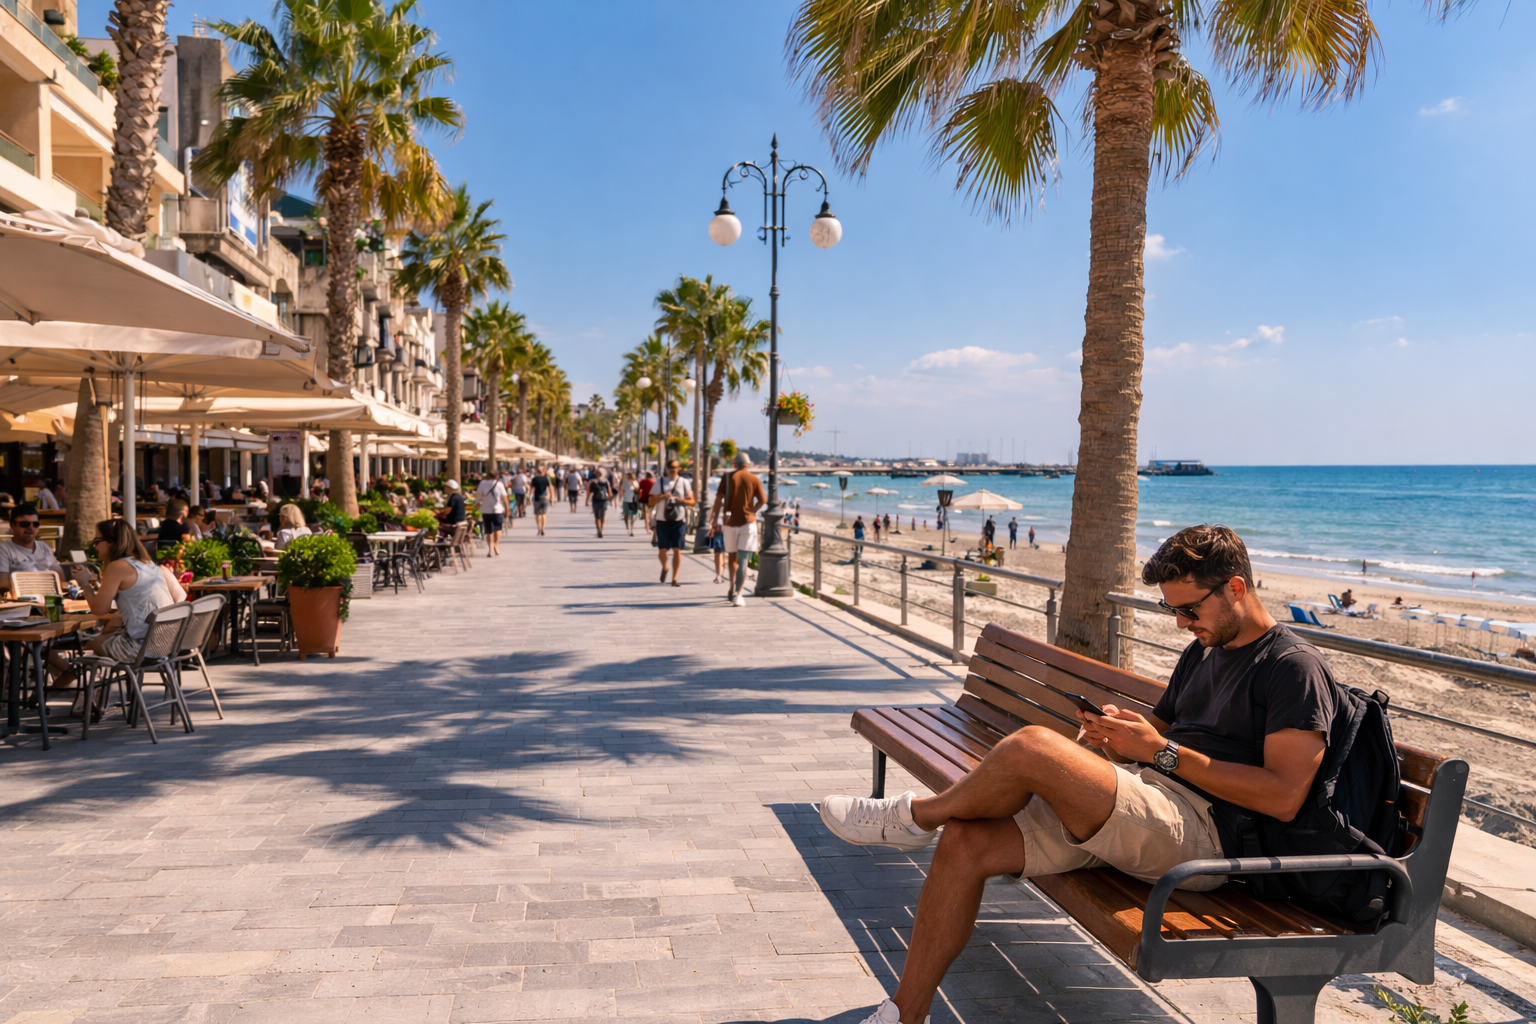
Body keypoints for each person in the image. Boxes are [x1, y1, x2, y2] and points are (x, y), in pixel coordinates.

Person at [819, 525, 1343, 1024]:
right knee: (966, 843)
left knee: (1032, 746)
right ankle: (906, 1013)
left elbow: (1284, 796)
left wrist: (1160, 753)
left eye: (1189, 609)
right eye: (1172, 610)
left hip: (1211, 839)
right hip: (1152, 802)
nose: (1181, 622)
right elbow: (1156, 736)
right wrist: (1114, 735)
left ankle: (914, 818)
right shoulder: (1204, 652)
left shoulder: (1292, 668)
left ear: (1235, 587)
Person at [68, 518, 186, 669]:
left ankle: (86, 686)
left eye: (97, 541)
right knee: (107, 634)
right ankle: (88, 685)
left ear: (111, 541)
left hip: (140, 649)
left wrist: (84, 584)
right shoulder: (147, 564)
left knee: (91, 645)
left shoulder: (118, 566)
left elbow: (99, 610)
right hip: (164, 645)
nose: (94, 546)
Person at [710, 453, 766, 606]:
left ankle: (731, 587)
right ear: (748, 464)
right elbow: (763, 500)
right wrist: (753, 510)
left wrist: (714, 520)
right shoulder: (754, 479)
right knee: (743, 561)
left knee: (732, 558)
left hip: (729, 522)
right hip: (748, 523)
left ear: (735, 464)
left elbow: (718, 499)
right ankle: (739, 595)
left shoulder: (727, 478)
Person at [652, 460, 693, 587]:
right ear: (666, 468)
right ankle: (665, 568)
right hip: (662, 520)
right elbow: (650, 500)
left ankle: (675, 578)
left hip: (679, 521)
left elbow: (692, 500)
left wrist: (681, 500)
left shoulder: (684, 482)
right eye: (670, 467)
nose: (672, 470)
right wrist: (662, 496)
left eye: (675, 467)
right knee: (662, 550)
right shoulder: (660, 482)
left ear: (678, 468)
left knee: (677, 549)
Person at [0, 504, 63, 582]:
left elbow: (60, 577)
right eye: (25, 524)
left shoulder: (44, 547)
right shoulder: (4, 549)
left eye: (35, 524)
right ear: (12, 525)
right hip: (21, 593)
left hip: (50, 593)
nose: (31, 527)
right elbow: (3, 583)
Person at [475, 474, 509, 557]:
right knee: (498, 529)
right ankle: (496, 545)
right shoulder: (499, 484)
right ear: (496, 476)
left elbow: (478, 496)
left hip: (485, 510)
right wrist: (508, 509)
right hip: (498, 509)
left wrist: (477, 504)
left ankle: (490, 550)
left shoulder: (482, 483)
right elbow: (504, 497)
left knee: (488, 530)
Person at [529, 465, 554, 536]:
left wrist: (529, 498)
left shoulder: (534, 479)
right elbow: (550, 488)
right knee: (544, 514)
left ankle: (539, 527)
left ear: (537, 472)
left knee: (537, 514)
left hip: (537, 498)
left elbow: (532, 490)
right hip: (545, 497)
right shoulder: (547, 478)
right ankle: (543, 528)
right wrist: (551, 498)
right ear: (543, 471)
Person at [588, 470, 612, 538]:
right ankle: (601, 529)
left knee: (597, 516)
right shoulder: (606, 481)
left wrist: (586, 501)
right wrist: (611, 500)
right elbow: (609, 492)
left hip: (595, 500)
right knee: (603, 515)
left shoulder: (593, 481)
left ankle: (598, 530)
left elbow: (589, 491)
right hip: (604, 500)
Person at [621, 472, 640, 536]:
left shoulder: (635, 482)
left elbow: (638, 491)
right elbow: (622, 490)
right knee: (626, 515)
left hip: (633, 500)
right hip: (626, 500)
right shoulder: (625, 482)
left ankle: (632, 531)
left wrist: (634, 486)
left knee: (632, 516)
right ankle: (627, 524)